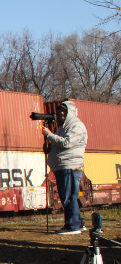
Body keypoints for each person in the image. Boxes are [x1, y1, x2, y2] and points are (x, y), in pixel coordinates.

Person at [40, 100, 88, 235]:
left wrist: (49, 135)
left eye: (64, 110)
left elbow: (67, 143)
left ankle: (73, 226)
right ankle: (77, 222)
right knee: (69, 196)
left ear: (71, 112)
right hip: (63, 166)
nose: (61, 113)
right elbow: (57, 144)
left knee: (68, 196)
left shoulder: (76, 126)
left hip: (70, 166)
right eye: (60, 110)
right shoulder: (63, 127)